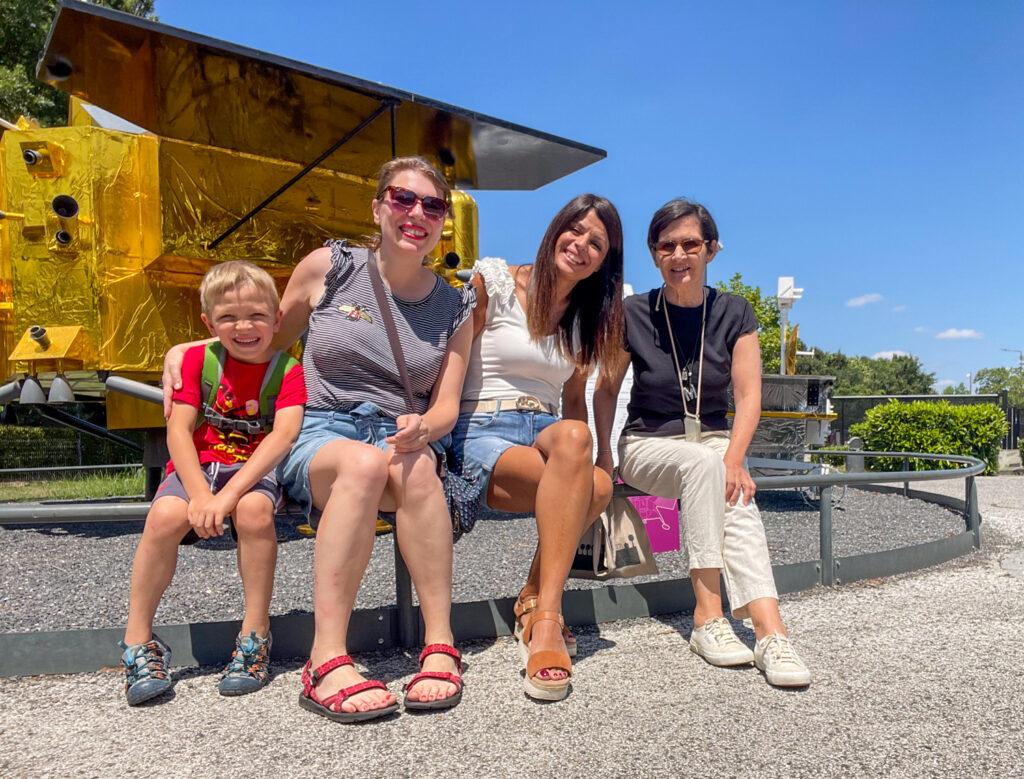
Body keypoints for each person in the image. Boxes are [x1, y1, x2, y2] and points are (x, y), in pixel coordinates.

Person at [163, 156, 475, 722]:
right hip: (322, 428)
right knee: (360, 465)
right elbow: (258, 345)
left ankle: (438, 641)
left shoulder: (455, 307)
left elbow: (447, 404)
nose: (417, 214)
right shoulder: (330, 267)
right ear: (378, 207)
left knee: (421, 468)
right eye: (403, 199)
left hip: (400, 435)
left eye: (432, 205)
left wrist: (424, 428)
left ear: (442, 221)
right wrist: (184, 354)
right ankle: (326, 658)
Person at [594, 198, 812, 688]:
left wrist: (736, 458)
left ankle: (770, 633)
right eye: (666, 245)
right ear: (654, 255)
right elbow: (607, 387)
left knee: (734, 494)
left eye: (690, 244)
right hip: (648, 443)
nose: (679, 255)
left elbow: (749, 394)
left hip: (714, 441)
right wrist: (605, 454)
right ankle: (707, 616)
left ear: (711, 249)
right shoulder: (633, 312)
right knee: (705, 466)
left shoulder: (735, 311)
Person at [450, 194, 623, 701]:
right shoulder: (496, 281)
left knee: (591, 469)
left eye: (597, 243)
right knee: (587, 484)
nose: (582, 246)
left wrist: (594, 455)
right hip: (481, 427)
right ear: (555, 230)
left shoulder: (587, 318)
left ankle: (539, 605)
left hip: (547, 431)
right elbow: (452, 359)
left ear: (606, 261)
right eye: (576, 230)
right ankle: (543, 614)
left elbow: (574, 402)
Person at [121, 261, 306, 705]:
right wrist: (202, 494)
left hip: (253, 469)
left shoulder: (288, 371)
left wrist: (225, 496)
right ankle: (137, 641)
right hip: (199, 466)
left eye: (257, 316)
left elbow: (282, 436)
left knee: (254, 511)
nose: (244, 326)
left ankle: (254, 633)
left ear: (277, 318)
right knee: (165, 514)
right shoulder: (194, 361)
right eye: (228, 318)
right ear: (208, 323)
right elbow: (178, 432)